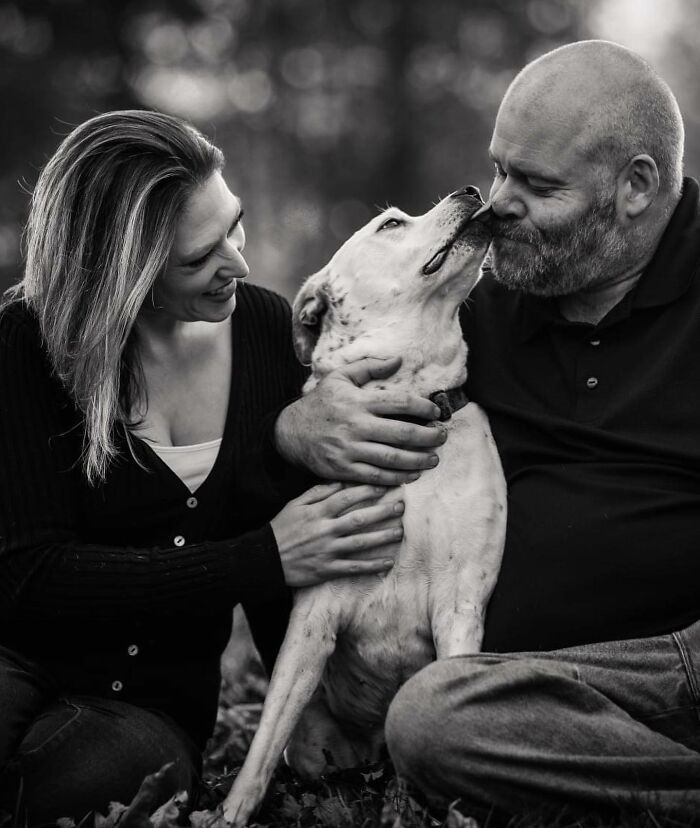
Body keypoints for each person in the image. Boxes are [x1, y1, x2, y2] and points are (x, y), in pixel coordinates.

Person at [274, 40, 700, 820]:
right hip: (520, 691)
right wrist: (298, 426)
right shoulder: (474, 301)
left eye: (536, 185)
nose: (498, 201)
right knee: (433, 721)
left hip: (682, 662)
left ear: (636, 186)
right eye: (500, 167)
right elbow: (334, 339)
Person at [0, 110, 445, 823]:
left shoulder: (269, 333)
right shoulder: (23, 345)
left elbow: (295, 550)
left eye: (233, 223)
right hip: (17, 657)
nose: (238, 262)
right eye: (197, 258)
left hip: (150, 708)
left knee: (73, 791)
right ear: (125, 275)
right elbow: (27, 575)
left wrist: (316, 713)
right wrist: (258, 560)